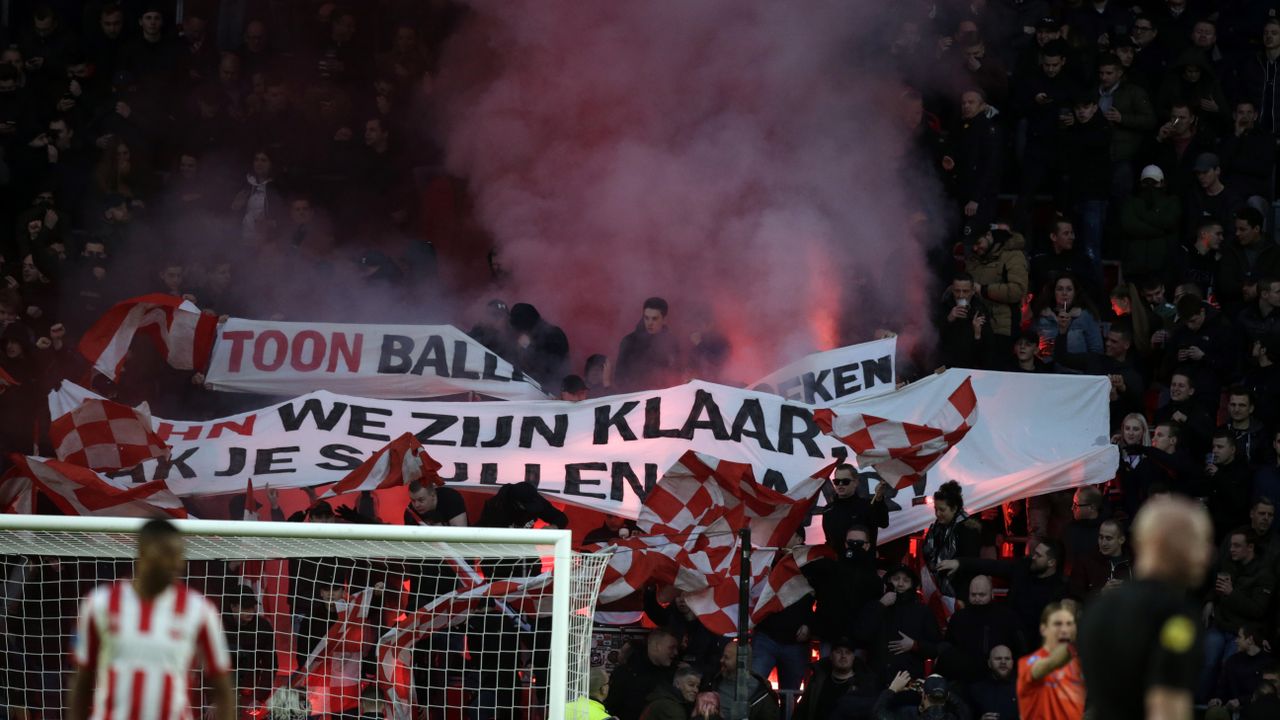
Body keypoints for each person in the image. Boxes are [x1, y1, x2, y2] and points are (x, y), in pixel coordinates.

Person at [69, 519, 234, 720]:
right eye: (165, 554)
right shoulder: (99, 603)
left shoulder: (200, 610)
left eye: (178, 556)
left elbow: (223, 688)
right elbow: (82, 680)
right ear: (142, 553)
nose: (175, 564)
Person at [1015, 601, 1085, 720]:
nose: (1064, 630)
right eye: (1058, 624)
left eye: (1069, 624)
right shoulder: (1028, 663)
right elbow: (1046, 666)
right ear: (1043, 629)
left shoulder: (1076, 665)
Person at [921, 480, 982, 598]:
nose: (937, 514)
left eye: (942, 510)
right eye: (935, 509)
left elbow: (971, 564)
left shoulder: (968, 529)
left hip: (959, 591)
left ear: (954, 508)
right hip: (937, 590)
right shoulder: (936, 528)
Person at [792, 637, 877, 720]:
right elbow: (802, 710)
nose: (843, 656)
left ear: (853, 657)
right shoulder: (818, 680)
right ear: (831, 656)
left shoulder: (863, 683)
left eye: (848, 652)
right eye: (838, 652)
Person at [608, 629, 681, 720]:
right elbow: (611, 707)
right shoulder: (624, 672)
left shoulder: (675, 674)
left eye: (676, 648)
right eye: (671, 647)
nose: (676, 652)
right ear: (656, 646)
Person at [615, 297, 682, 392]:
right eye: (646, 318)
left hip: (664, 396)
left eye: (654, 319)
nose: (649, 323)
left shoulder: (672, 343)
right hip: (634, 396)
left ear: (664, 320)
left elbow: (677, 374)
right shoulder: (629, 341)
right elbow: (619, 378)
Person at [822, 463, 890, 551]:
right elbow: (829, 540)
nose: (840, 484)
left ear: (856, 482)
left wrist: (879, 499)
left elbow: (883, 523)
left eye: (845, 481)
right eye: (837, 481)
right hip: (838, 559)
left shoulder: (867, 505)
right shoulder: (828, 510)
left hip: (863, 558)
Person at [708, 642, 779, 720]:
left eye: (726, 658)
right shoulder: (713, 682)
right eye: (722, 656)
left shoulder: (762, 696)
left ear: (741, 662)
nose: (721, 660)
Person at [1069, 518, 1134, 600]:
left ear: (1121, 540)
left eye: (1108, 538)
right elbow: (1075, 595)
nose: (1103, 543)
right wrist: (1101, 593)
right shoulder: (1085, 561)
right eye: (1101, 537)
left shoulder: (1133, 563)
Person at [968, 645, 1019, 720]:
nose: (1003, 662)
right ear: (989, 663)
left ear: (1012, 663)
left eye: (1007, 659)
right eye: (998, 659)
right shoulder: (976, 690)